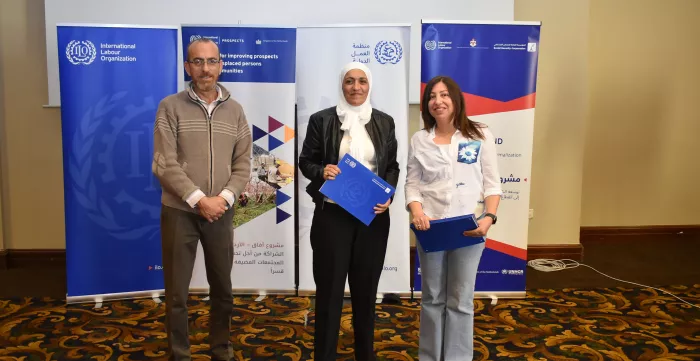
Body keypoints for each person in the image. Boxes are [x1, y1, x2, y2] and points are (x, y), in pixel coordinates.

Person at [152, 37, 252, 361]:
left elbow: (243, 164)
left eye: (211, 61)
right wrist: (198, 199)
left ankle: (221, 350)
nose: (205, 69)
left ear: (221, 65)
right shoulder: (170, 106)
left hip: (221, 211)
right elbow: (163, 163)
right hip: (179, 211)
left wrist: (222, 198)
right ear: (187, 67)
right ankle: (179, 354)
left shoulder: (236, 111)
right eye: (197, 62)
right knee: (178, 293)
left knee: (223, 289)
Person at [298, 62, 400, 361]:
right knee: (329, 294)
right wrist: (322, 171)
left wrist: (389, 194)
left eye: (362, 81)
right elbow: (306, 161)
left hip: (372, 216)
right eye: (349, 81)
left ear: (370, 86)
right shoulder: (322, 120)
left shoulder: (385, 121)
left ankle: (365, 356)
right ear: (341, 85)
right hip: (333, 216)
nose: (356, 87)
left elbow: (391, 166)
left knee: (366, 294)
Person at [405, 75, 502, 361]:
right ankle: (430, 357)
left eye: (444, 95)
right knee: (432, 298)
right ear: (427, 105)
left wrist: (489, 217)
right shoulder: (420, 140)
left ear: (456, 99)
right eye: (432, 96)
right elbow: (412, 184)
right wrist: (417, 211)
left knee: (460, 300)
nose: (438, 101)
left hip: (468, 231)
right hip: (431, 229)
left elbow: (492, 184)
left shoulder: (479, 134)